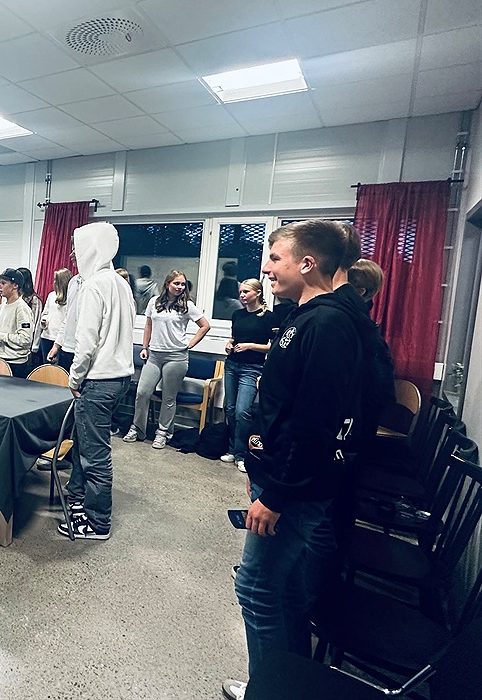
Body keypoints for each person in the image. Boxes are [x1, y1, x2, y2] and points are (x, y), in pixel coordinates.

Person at [224, 220, 365, 700]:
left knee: (256, 589)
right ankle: (285, 685)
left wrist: (278, 494)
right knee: (281, 590)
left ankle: (267, 691)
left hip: (295, 490)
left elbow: (314, 422)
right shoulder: (305, 317)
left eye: (274, 258)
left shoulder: (327, 323)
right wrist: (261, 469)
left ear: (306, 264)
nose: (265, 269)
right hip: (281, 478)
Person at [60, 222, 135, 540]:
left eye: (77, 247)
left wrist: (74, 378)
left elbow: (86, 342)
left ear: (92, 248)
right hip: (120, 378)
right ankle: (79, 499)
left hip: (98, 380)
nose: (73, 254)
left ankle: (97, 522)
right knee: (84, 444)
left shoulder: (93, 286)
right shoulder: (120, 283)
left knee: (94, 454)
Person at [124, 270, 211, 448]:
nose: (180, 287)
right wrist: (145, 347)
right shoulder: (154, 302)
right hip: (154, 355)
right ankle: (138, 429)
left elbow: (205, 326)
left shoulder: (187, 305)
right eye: (176, 283)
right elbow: (148, 325)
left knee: (168, 397)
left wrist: (190, 343)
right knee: (142, 392)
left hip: (176, 357)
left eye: (183, 284)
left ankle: (163, 432)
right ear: (167, 284)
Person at [221, 279, 274, 472]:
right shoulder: (238, 314)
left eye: (246, 292)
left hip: (252, 368)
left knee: (242, 411)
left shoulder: (269, 317)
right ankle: (232, 449)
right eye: (241, 292)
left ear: (258, 293)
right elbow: (234, 337)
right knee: (230, 409)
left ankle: (242, 455)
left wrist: (250, 346)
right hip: (232, 365)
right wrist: (229, 344)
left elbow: (272, 346)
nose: (242, 295)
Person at [0, 268, 35, 378]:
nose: (0, 286)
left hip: (16, 363)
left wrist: (0, 336)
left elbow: (26, 340)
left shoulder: (22, 308)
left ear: (15, 286)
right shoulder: (2, 306)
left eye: (3, 283)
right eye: (0, 283)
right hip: (0, 359)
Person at [47, 263, 82, 372]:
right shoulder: (74, 282)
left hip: (80, 350)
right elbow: (67, 320)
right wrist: (56, 346)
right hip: (66, 348)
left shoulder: (94, 284)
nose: (71, 255)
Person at [39, 268, 72, 364]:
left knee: (59, 368)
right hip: (46, 337)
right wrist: (44, 321)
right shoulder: (51, 295)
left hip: (61, 340)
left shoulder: (71, 298)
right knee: (46, 367)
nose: (53, 283)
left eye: (55, 280)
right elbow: (45, 314)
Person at [17, 267, 43, 368]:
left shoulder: (34, 299)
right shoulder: (16, 297)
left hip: (28, 344)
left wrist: (34, 346)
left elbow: (37, 324)